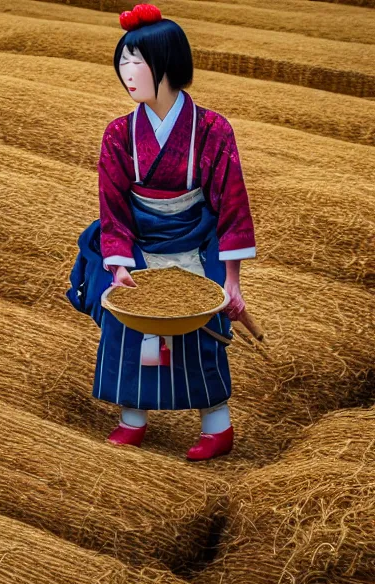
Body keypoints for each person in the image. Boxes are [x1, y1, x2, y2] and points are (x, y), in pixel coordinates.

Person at [67, 3, 256, 461]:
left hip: (195, 248)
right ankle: (133, 417)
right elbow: (112, 207)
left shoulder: (212, 129)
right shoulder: (118, 134)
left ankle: (217, 424)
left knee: (200, 334)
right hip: (138, 248)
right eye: (122, 60)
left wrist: (231, 281)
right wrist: (117, 264)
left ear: (166, 63)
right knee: (133, 333)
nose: (125, 70)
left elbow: (230, 205)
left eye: (136, 59)